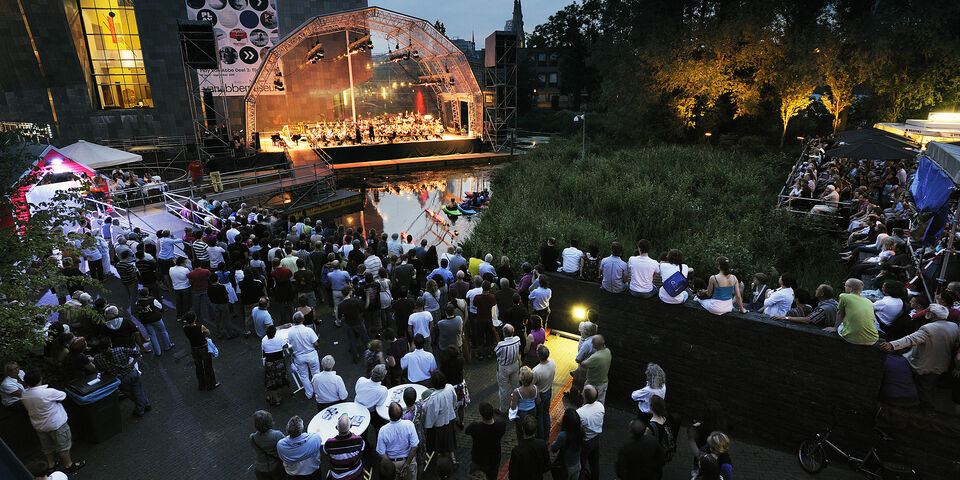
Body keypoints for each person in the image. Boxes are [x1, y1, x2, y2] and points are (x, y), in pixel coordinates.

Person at [879, 304, 960, 409]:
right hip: (942, 364)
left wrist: (892, 345)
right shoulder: (953, 326)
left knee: (924, 390)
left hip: (927, 365)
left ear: (933, 315)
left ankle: (926, 411)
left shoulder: (928, 328)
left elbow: (910, 339)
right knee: (930, 388)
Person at [20, 369, 85, 474]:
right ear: (40, 379)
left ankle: (51, 464)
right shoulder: (47, 392)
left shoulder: (24, 395)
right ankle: (69, 465)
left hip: (39, 426)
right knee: (63, 446)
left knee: (47, 447)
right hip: (56, 424)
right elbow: (63, 395)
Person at [93, 336, 150, 416]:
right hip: (132, 373)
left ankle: (141, 408)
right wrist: (131, 365)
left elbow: (99, 370)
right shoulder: (121, 350)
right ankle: (144, 405)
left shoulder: (97, 358)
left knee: (131, 394)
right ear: (110, 344)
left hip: (120, 379)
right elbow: (137, 354)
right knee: (138, 391)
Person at [823, 278, 879, 345]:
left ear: (851, 288)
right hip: (873, 339)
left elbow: (840, 313)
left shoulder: (844, 296)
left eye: (845, 286)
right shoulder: (869, 302)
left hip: (852, 339)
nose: (844, 287)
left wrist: (835, 328)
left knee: (841, 324)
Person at [423, 371, 459, 465]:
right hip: (450, 418)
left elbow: (432, 415)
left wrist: (428, 426)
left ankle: (440, 463)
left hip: (439, 424)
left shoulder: (434, 398)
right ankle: (453, 459)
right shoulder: (450, 387)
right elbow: (455, 400)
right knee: (450, 439)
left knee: (439, 444)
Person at [377, 402, 420, 480]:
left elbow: (381, 453)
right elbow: (414, 446)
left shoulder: (383, 430)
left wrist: (391, 467)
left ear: (389, 415)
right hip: (409, 460)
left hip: (393, 462)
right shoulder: (409, 425)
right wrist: (407, 464)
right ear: (402, 414)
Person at [465, 402, 507, 480]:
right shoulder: (500, 425)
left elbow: (467, 431)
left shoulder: (475, 427)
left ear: (481, 415)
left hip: (478, 459)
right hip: (494, 459)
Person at [288, 311, 321, 399]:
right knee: (316, 373)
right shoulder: (309, 330)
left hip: (299, 357)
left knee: (304, 376)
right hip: (311, 354)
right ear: (303, 319)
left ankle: (309, 393)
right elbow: (316, 344)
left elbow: (290, 344)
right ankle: (319, 391)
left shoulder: (290, 332)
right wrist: (317, 350)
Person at [183, 312, 220, 391]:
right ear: (195, 318)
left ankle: (202, 384)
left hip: (194, 349)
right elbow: (208, 332)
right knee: (208, 367)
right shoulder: (200, 327)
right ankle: (211, 384)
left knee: (198, 367)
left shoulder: (185, 328)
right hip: (203, 348)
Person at [772, 284, 838, 327]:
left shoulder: (824, 309)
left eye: (817, 289)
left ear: (822, 294)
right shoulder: (834, 303)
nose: (816, 290)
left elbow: (807, 320)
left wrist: (785, 317)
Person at [323, 415, 366, 480]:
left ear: (337, 427)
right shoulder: (358, 440)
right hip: (356, 473)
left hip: (337, 476)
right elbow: (362, 449)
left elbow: (325, 452)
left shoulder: (329, 443)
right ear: (350, 426)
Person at [133, 288, 174, 357]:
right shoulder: (152, 300)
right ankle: (168, 346)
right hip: (156, 319)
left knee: (152, 335)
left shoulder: (137, 302)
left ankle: (158, 352)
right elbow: (160, 307)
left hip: (146, 321)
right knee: (163, 331)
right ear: (147, 293)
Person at [508, 415, 550, 480]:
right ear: (535, 430)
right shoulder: (542, 444)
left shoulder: (517, 450)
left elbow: (512, 473)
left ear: (522, 429)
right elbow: (547, 466)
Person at [577, 385, 604, 480]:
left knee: (581, 464)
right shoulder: (600, 406)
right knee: (594, 463)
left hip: (585, 442)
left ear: (583, 395)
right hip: (596, 439)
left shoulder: (580, 413)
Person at [250, 410, 286, 480]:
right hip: (275, 467)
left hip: (260, 469)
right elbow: (287, 444)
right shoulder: (277, 435)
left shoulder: (252, 437)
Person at [339, 285, 370, 363]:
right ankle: (370, 352)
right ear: (350, 292)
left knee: (352, 340)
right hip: (358, 322)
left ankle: (355, 357)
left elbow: (340, 317)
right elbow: (363, 309)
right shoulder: (356, 301)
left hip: (348, 324)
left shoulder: (341, 305)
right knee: (365, 338)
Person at [495, 324, 522, 413]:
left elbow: (497, 353)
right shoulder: (517, 339)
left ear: (504, 333)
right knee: (516, 386)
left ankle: (503, 410)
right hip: (515, 365)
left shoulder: (501, 345)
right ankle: (518, 404)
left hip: (504, 368)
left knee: (503, 389)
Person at [550, 408, 582, 480]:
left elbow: (554, 448)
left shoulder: (563, 436)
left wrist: (554, 443)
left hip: (566, 467)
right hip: (577, 464)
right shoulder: (580, 431)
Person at [510, 366, 540, 440]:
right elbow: (538, 401)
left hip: (521, 413)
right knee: (531, 428)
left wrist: (512, 400)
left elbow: (513, 407)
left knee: (521, 432)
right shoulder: (536, 388)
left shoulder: (517, 391)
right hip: (533, 411)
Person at [581, 335, 612, 404]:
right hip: (603, 383)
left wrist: (586, 358)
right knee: (600, 403)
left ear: (597, 345)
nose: (591, 344)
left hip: (593, 384)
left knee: (588, 403)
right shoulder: (607, 351)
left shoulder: (596, 357)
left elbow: (583, 364)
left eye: (592, 343)